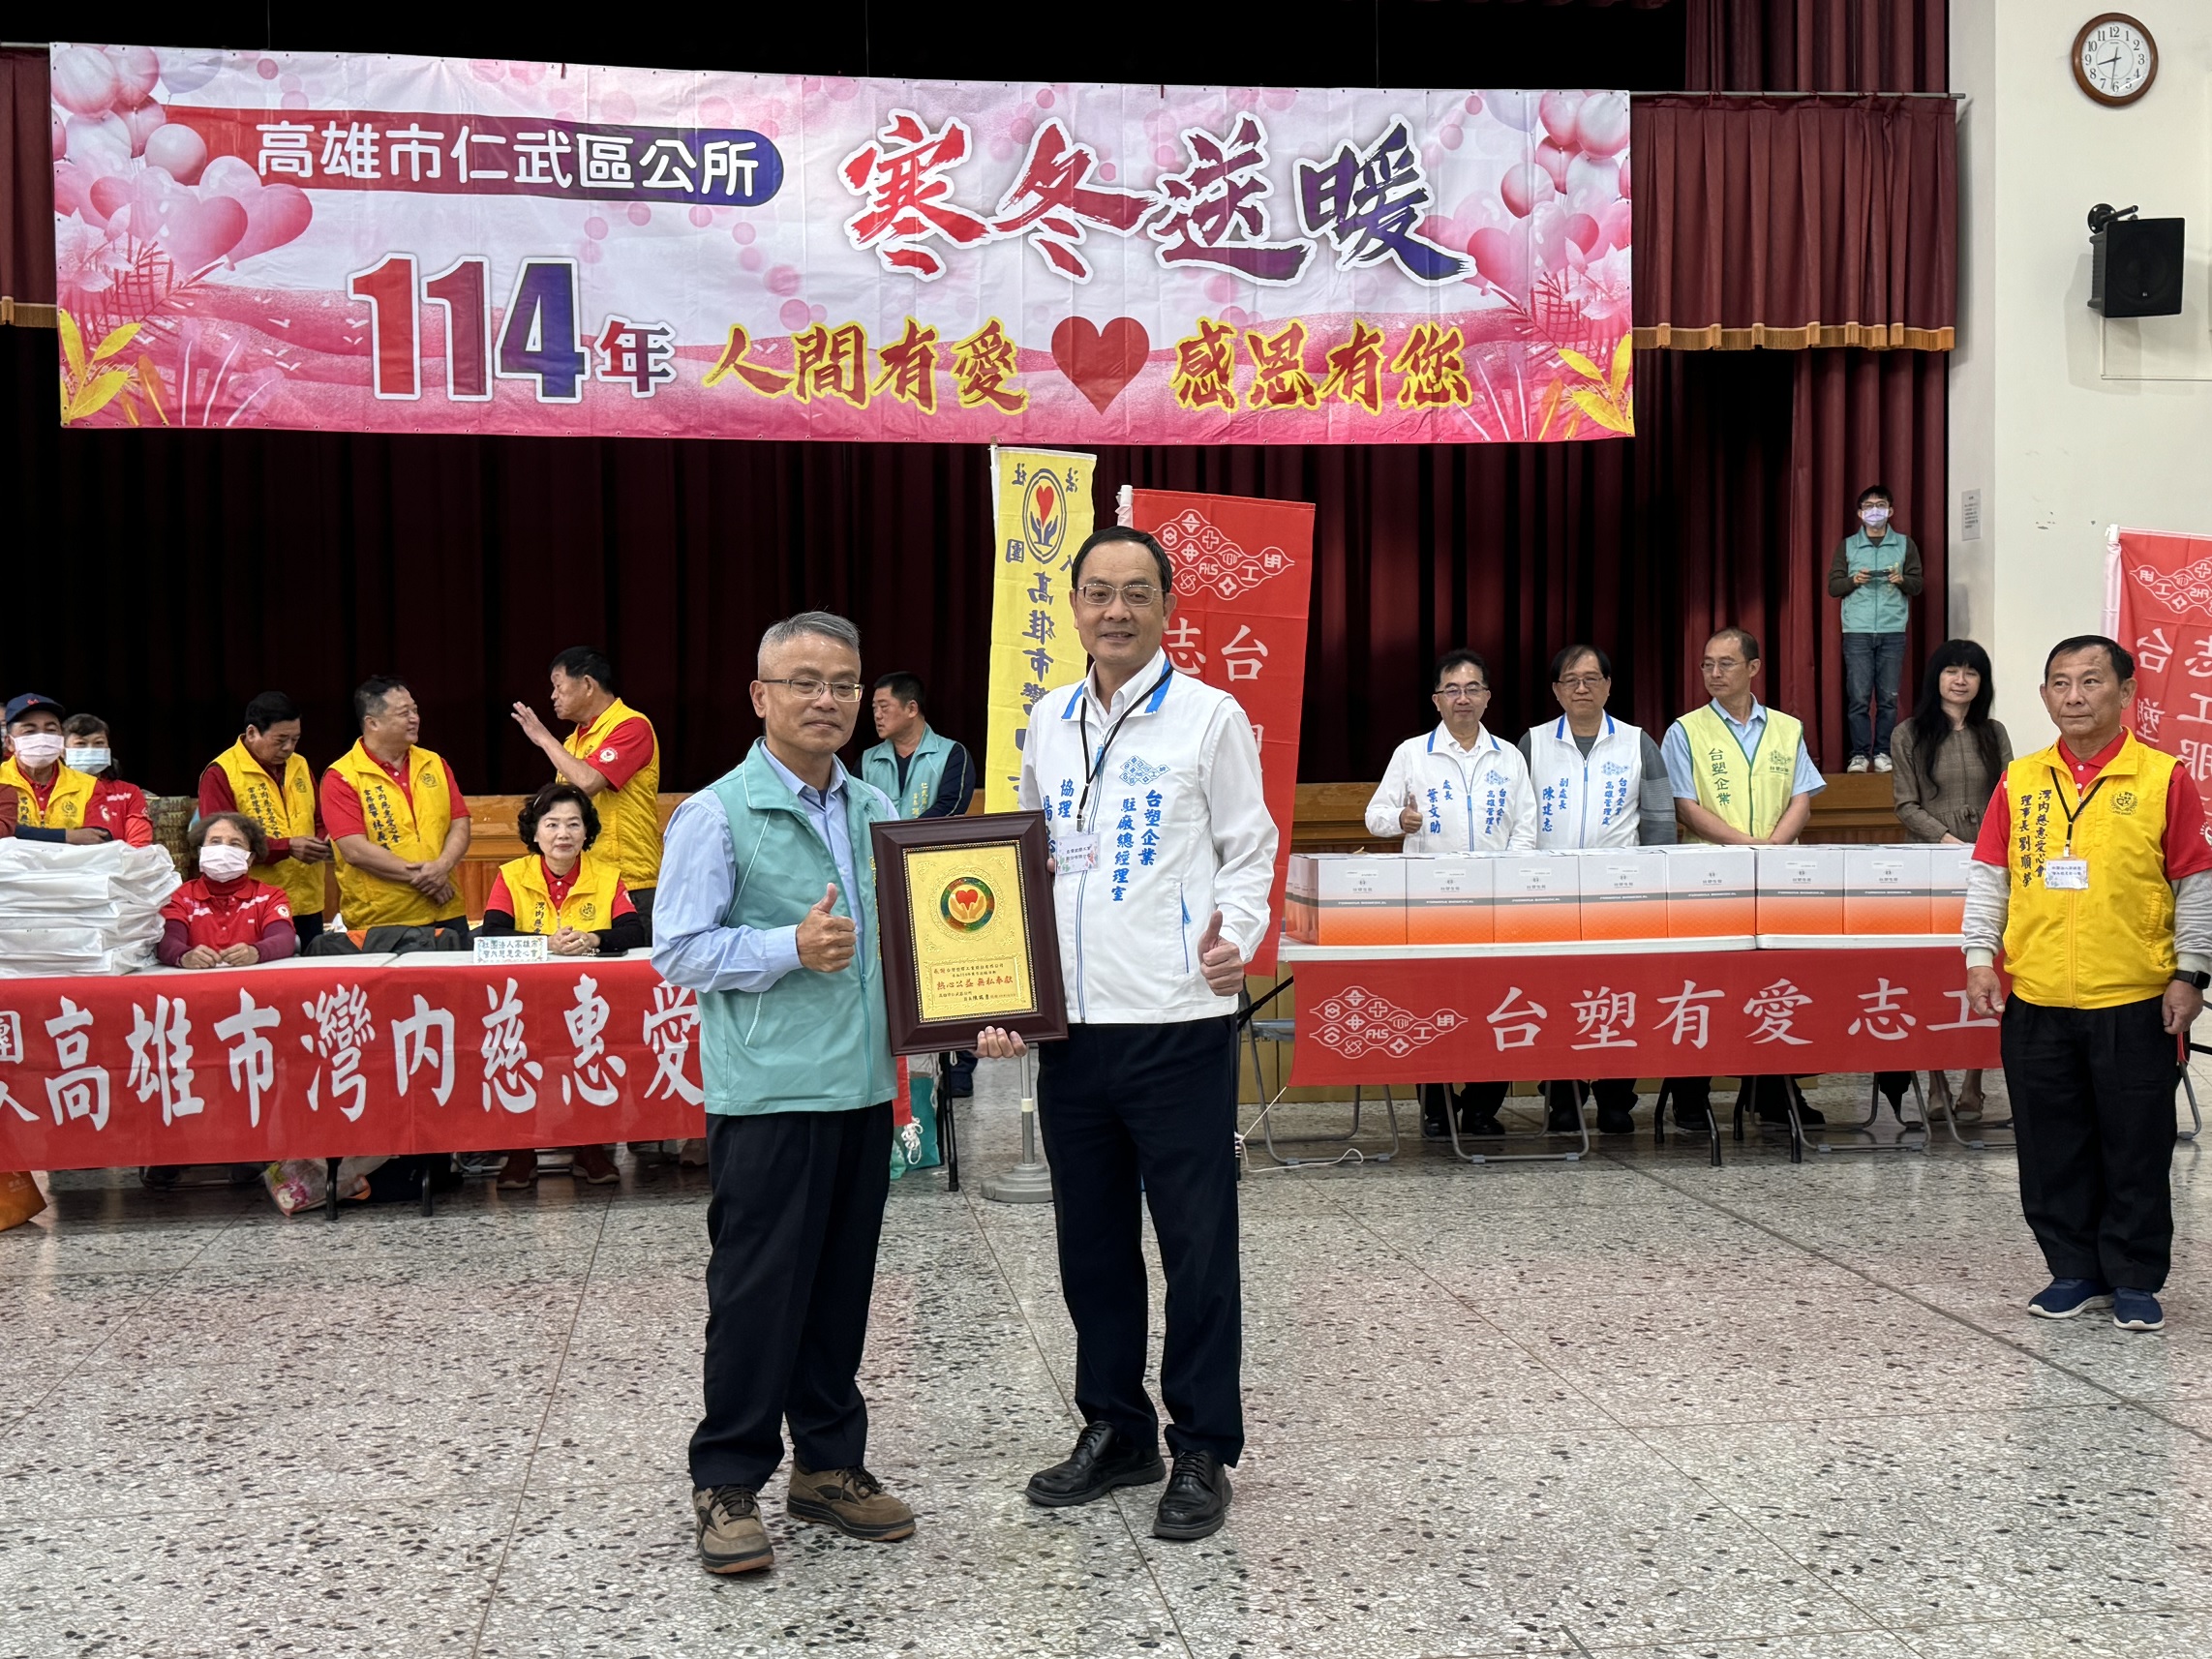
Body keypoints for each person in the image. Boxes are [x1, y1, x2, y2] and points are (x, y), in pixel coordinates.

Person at [976, 526, 1276, 1546]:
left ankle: (1202, 1445)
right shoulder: (1047, 720)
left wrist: (1234, 936)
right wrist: (1006, 989)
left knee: (1196, 1245)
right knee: (1091, 1244)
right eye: (1097, 591)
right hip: (1073, 1029)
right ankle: (1116, 1428)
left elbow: (1249, 847)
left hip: (1176, 1020)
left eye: (1135, 592)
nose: (1115, 610)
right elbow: (1020, 861)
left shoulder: (1209, 716)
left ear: (1166, 606)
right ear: (1072, 606)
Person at [654, 611, 912, 1576]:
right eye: (804, 682)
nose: (825, 700)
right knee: (757, 1293)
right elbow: (679, 950)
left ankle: (828, 1465)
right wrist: (786, 947)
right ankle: (726, 1478)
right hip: (767, 1092)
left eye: (843, 684)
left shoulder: (874, 807)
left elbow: (910, 937)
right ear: (760, 696)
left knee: (841, 1289)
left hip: (859, 1086)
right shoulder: (716, 813)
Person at [1964, 635, 2212, 1335]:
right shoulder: (2020, 779)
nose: (2073, 697)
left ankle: (2133, 1277)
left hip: (2132, 997)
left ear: (2126, 692)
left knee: (2135, 1143)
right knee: (2051, 1144)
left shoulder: (2163, 777)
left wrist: (2190, 972)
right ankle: (2073, 1270)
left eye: (2090, 681)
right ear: (2044, 695)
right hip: (2038, 996)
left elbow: (2194, 880)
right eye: (2060, 683)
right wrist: (1979, 955)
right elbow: (1990, 875)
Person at [1364, 649, 1537, 1137]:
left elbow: (1526, 828)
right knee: (1430, 1004)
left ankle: (1482, 1108)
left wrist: (1509, 879)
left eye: (1472, 689)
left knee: (1497, 1003)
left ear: (1487, 697)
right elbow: (1374, 816)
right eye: (1453, 690)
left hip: (1496, 905)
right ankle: (1436, 1107)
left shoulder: (1509, 757)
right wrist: (1399, 819)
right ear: (1436, 700)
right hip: (1429, 906)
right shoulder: (1412, 753)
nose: (1463, 698)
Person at [1661, 627, 1828, 1129]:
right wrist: (1746, 846)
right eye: (1707, 664)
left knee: (1774, 981)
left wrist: (1772, 849)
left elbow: (1801, 798)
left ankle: (1774, 1093)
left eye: (1726, 663)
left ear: (1753, 668)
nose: (1714, 673)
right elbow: (1685, 805)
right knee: (1702, 983)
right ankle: (1691, 1095)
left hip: (1777, 875)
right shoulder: (1685, 730)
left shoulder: (1786, 728)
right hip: (1710, 875)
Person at [1518, 644, 1676, 1134]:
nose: (1581, 688)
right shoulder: (1532, 744)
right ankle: (1562, 1095)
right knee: (1553, 996)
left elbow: (1660, 822)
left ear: (1609, 686)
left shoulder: (1637, 742)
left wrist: (1655, 889)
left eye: (1592, 678)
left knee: (1619, 996)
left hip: (1621, 897)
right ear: (1556, 690)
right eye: (1571, 679)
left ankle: (1615, 1096)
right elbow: (1515, 821)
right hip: (1549, 896)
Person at [485, 783, 646, 1191]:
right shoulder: (511, 876)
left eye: (574, 824)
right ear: (535, 831)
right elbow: (492, 933)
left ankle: (590, 1147)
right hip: (525, 1002)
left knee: (593, 1055)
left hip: (589, 1002)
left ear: (587, 831)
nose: (563, 834)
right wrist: (547, 944)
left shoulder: (607, 876)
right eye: (552, 824)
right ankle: (520, 1151)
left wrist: (593, 939)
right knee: (512, 1057)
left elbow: (633, 931)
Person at [1891, 640, 2015, 1123]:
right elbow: (1905, 804)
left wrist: (1984, 848)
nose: (1960, 680)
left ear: (1982, 682)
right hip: (1930, 864)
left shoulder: (1994, 732)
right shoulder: (1909, 733)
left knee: (1984, 964)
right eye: (1951, 671)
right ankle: (1936, 1081)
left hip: (1989, 866)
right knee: (1934, 972)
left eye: (1971, 672)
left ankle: (1973, 1083)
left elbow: (2009, 796)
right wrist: (1949, 842)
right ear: (1935, 678)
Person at [863, 671, 981, 1100]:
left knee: (947, 970)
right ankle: (898, 1066)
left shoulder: (951, 753)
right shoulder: (868, 760)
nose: (876, 715)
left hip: (938, 881)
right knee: (894, 968)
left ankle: (960, 1064)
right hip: (882, 879)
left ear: (912, 708)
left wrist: (897, 839)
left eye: (884, 707)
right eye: (874, 708)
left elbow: (951, 807)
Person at [509, 647, 662, 935]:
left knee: (630, 961)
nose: (553, 696)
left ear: (588, 684)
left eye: (558, 686)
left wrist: (543, 738)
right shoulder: (571, 743)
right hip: (584, 881)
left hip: (630, 880)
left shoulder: (631, 726)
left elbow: (588, 782)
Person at [318, 677, 472, 950]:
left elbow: (459, 822)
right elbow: (354, 850)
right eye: (404, 713)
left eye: (415, 710)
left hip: (446, 910)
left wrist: (443, 866)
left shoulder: (434, 763)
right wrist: (428, 879)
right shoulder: (342, 776)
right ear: (373, 723)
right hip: (382, 920)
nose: (415, 719)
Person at [199, 691, 334, 950]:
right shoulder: (222, 773)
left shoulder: (299, 764)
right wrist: (287, 847)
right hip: (254, 903)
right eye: (281, 740)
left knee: (311, 970)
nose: (289, 748)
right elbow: (222, 846)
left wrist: (321, 840)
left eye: (295, 739)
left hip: (308, 899)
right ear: (252, 733)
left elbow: (320, 818)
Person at [1827, 483, 1924, 774]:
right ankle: (1859, 754)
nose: (1874, 511)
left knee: (1888, 698)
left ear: (1890, 511)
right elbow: (1834, 586)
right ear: (1859, 513)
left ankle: (1882, 752)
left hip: (1893, 629)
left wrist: (1901, 579)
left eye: (1880, 505)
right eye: (1868, 507)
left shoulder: (1905, 544)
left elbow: (1917, 585)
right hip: (1856, 630)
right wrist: (1854, 580)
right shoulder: (1848, 545)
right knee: (1858, 697)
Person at [157, 813, 298, 968]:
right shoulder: (179, 896)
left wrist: (256, 952)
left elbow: (285, 938)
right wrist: (185, 956)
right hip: (196, 980)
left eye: (235, 844)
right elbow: (167, 940)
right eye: (215, 842)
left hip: (253, 980)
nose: (223, 849)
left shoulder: (270, 896)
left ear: (250, 858)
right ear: (201, 852)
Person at [2, 694, 113, 844]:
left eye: (51, 730)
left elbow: (99, 836)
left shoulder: (89, 785)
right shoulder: (2, 782)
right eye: (29, 731)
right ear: (9, 743)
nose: (42, 737)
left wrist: (19, 831)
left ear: (61, 739)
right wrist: (66, 836)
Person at [60, 714, 152, 846]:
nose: (90, 750)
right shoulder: (52, 792)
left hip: (120, 859)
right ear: (63, 752)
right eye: (80, 744)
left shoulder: (128, 793)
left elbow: (139, 845)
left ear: (108, 749)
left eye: (98, 743)